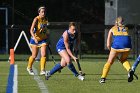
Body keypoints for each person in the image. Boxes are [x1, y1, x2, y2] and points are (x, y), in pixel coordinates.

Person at [99, 16, 133, 83]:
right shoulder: (126, 28)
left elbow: (108, 44)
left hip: (117, 46)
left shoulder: (112, 29)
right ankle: (129, 70)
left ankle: (103, 78)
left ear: (116, 22)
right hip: (128, 45)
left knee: (109, 61)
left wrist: (111, 51)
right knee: (123, 60)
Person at [27, 6, 49, 75]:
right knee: (34, 56)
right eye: (42, 12)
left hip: (43, 40)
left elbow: (45, 30)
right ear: (39, 12)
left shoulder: (46, 19)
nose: (43, 13)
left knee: (44, 54)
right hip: (35, 40)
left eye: (44, 12)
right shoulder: (36, 19)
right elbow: (31, 30)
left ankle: (42, 70)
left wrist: (46, 36)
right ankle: (29, 67)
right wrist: (35, 38)